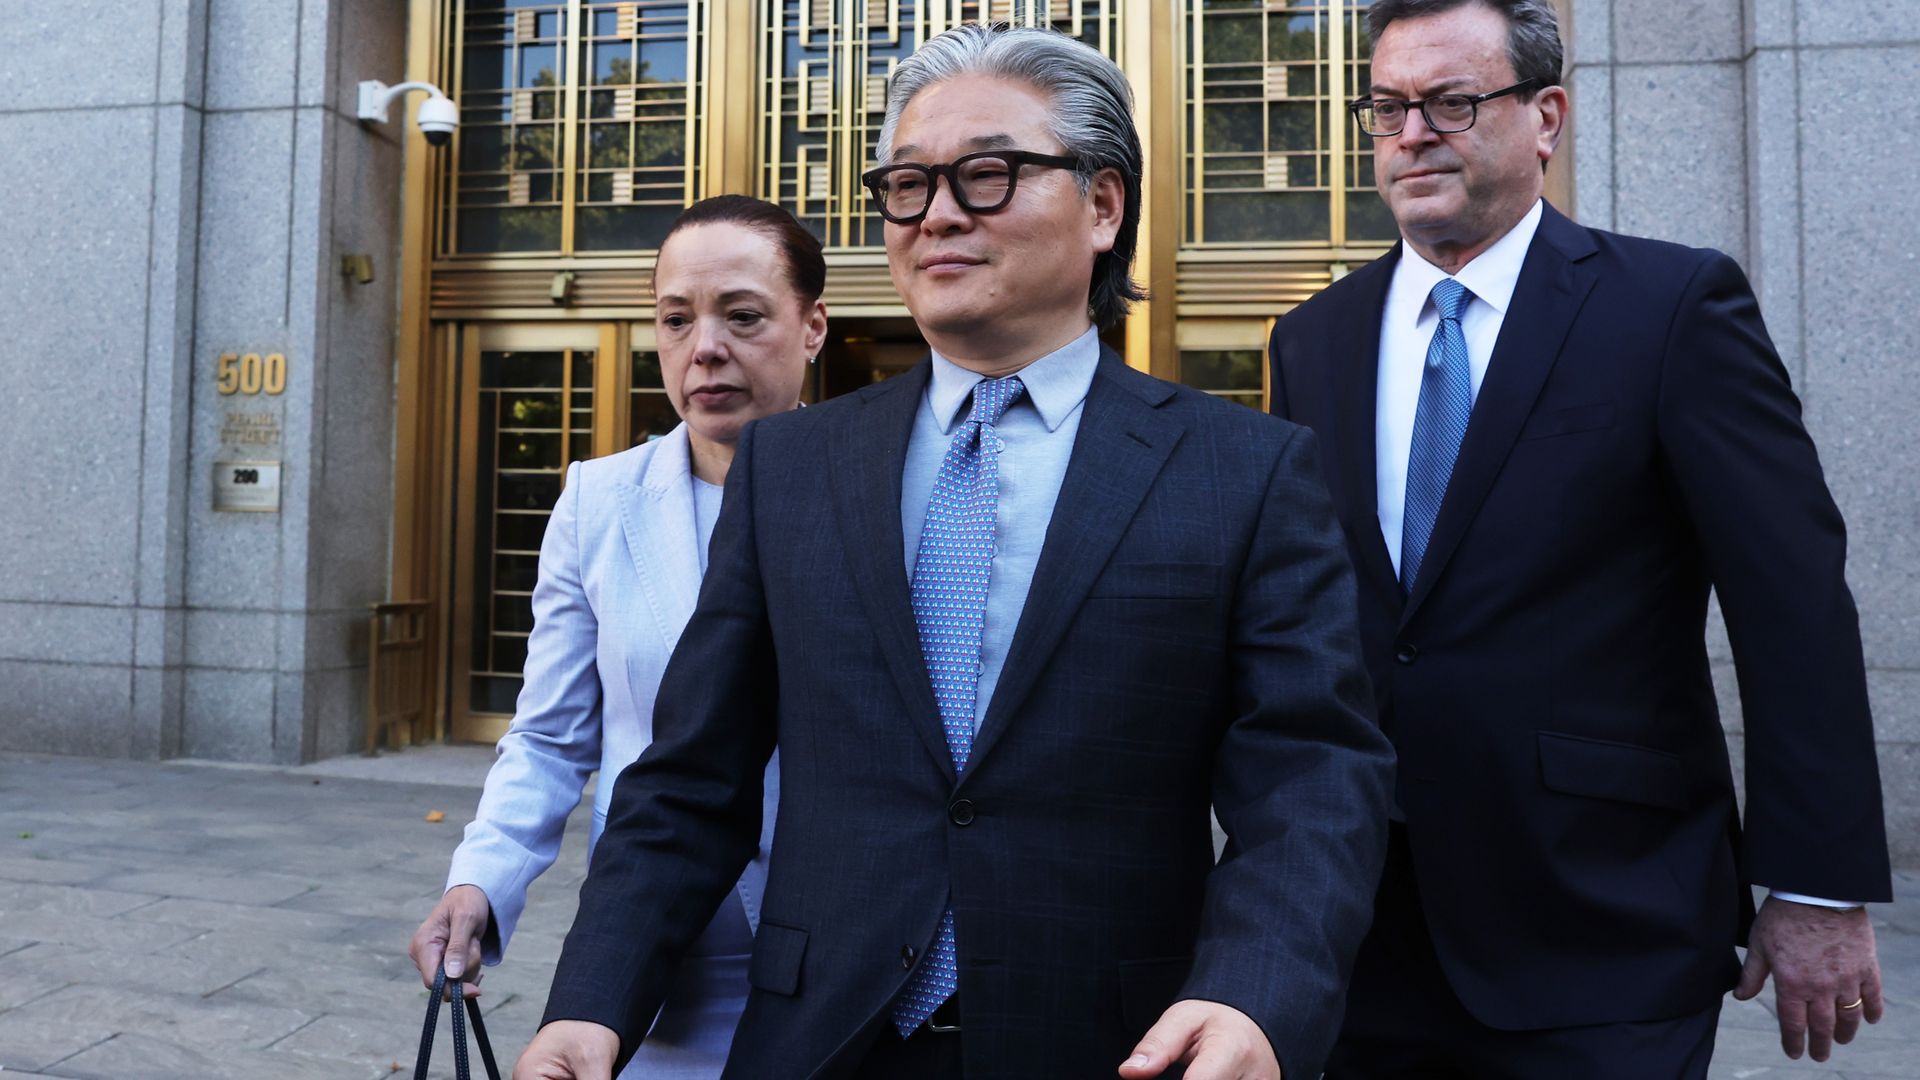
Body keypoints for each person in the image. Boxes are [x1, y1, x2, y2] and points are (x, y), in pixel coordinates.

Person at [514, 22, 1393, 1080]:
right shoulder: (792, 466)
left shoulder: (1243, 472)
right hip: (816, 1038)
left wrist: (1256, 992)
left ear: (1103, 205)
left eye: (987, 176)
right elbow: (689, 782)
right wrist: (592, 1002)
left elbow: (1312, 778)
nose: (936, 215)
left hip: (1117, 1042)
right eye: (909, 184)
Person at [1266, 1, 1892, 1076]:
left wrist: (1816, 883)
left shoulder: (1670, 306)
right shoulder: (1314, 337)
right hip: (1358, 925)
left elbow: (1790, 602)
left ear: (1546, 116)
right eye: (1386, 107)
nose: (1412, 133)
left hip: (1605, 922)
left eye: (1453, 103)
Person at [408, 195, 828, 1078]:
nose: (704, 348)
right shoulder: (600, 501)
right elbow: (553, 734)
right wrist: (481, 878)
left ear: (813, 326)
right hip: (658, 957)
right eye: (676, 320)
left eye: (742, 316)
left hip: (836, 956)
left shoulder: (876, 492)